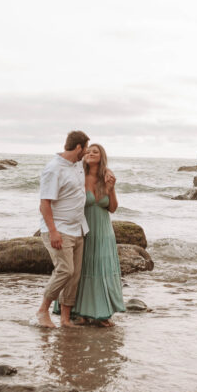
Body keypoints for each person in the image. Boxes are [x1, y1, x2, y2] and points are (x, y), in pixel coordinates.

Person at [36, 130, 90, 328]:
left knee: (74, 276)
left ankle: (65, 320)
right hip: (60, 229)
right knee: (65, 271)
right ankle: (42, 310)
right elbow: (44, 203)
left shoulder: (77, 164)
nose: (86, 153)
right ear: (78, 147)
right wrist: (53, 231)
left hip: (78, 229)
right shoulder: (53, 169)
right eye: (85, 149)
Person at [68, 142, 125, 327]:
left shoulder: (106, 178)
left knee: (102, 269)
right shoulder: (78, 176)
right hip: (84, 229)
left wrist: (111, 188)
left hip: (104, 231)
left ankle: (102, 313)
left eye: (96, 152)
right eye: (89, 151)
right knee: (82, 269)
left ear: (101, 157)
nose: (91, 153)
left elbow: (113, 208)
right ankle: (80, 312)